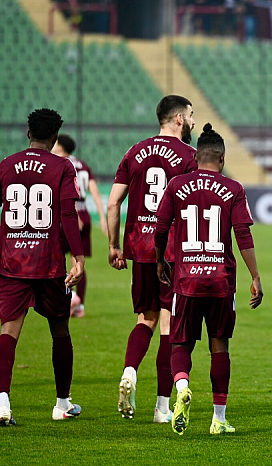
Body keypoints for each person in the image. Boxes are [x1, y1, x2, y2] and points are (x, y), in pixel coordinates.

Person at [155, 123, 263, 435]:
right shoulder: (234, 188)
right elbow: (242, 234)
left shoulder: (176, 185)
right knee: (220, 346)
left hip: (186, 279)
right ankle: (219, 419)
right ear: (222, 158)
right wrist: (255, 276)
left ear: (196, 157)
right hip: (220, 280)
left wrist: (160, 260)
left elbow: (160, 227)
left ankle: (182, 387)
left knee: (180, 343)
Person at [0, 108, 85, 425]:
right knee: (60, 329)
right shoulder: (62, 166)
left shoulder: (6, 164)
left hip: (12, 264)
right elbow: (68, 214)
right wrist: (78, 257)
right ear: (55, 138)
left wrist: (6, 243)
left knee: (9, 330)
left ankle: (2, 403)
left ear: (28, 134)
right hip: (49, 264)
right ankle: (62, 404)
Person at [108, 95, 197, 423]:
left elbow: (113, 203)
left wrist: (113, 246)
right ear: (178, 119)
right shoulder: (189, 156)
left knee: (144, 319)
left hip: (140, 250)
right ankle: (161, 406)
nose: (193, 121)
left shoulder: (134, 151)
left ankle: (130, 371)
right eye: (190, 115)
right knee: (168, 327)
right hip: (173, 253)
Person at [52, 134, 108, 318]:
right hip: (85, 216)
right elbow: (95, 193)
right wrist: (102, 218)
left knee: (56, 259)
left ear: (61, 147)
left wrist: (73, 214)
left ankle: (72, 298)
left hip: (68, 217)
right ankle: (79, 306)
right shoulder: (83, 165)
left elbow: (65, 192)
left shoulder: (60, 164)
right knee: (78, 263)